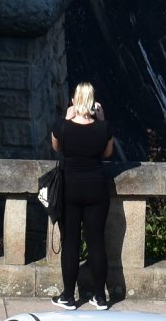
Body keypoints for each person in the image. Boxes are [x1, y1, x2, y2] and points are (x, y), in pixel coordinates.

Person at [49, 82, 118, 311]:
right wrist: (101, 119)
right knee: (96, 242)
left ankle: (68, 297)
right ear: (92, 102)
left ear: (75, 100)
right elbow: (107, 154)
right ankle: (100, 297)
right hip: (96, 189)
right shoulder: (103, 128)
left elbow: (56, 147)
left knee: (70, 243)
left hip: (70, 188)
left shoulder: (62, 126)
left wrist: (66, 118)